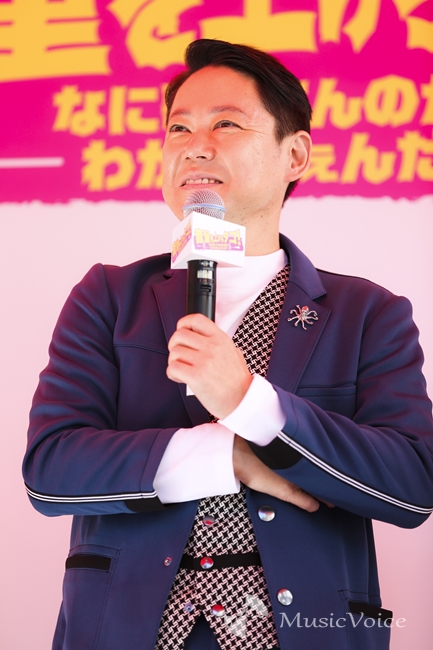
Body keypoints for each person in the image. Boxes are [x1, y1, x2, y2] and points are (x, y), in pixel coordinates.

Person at [23, 39, 433, 650]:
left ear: (295, 154)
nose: (195, 145)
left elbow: (411, 486)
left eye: (226, 124)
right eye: (179, 128)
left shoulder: (368, 313)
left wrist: (250, 401)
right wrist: (228, 455)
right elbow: (51, 471)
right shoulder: (108, 297)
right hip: (125, 629)